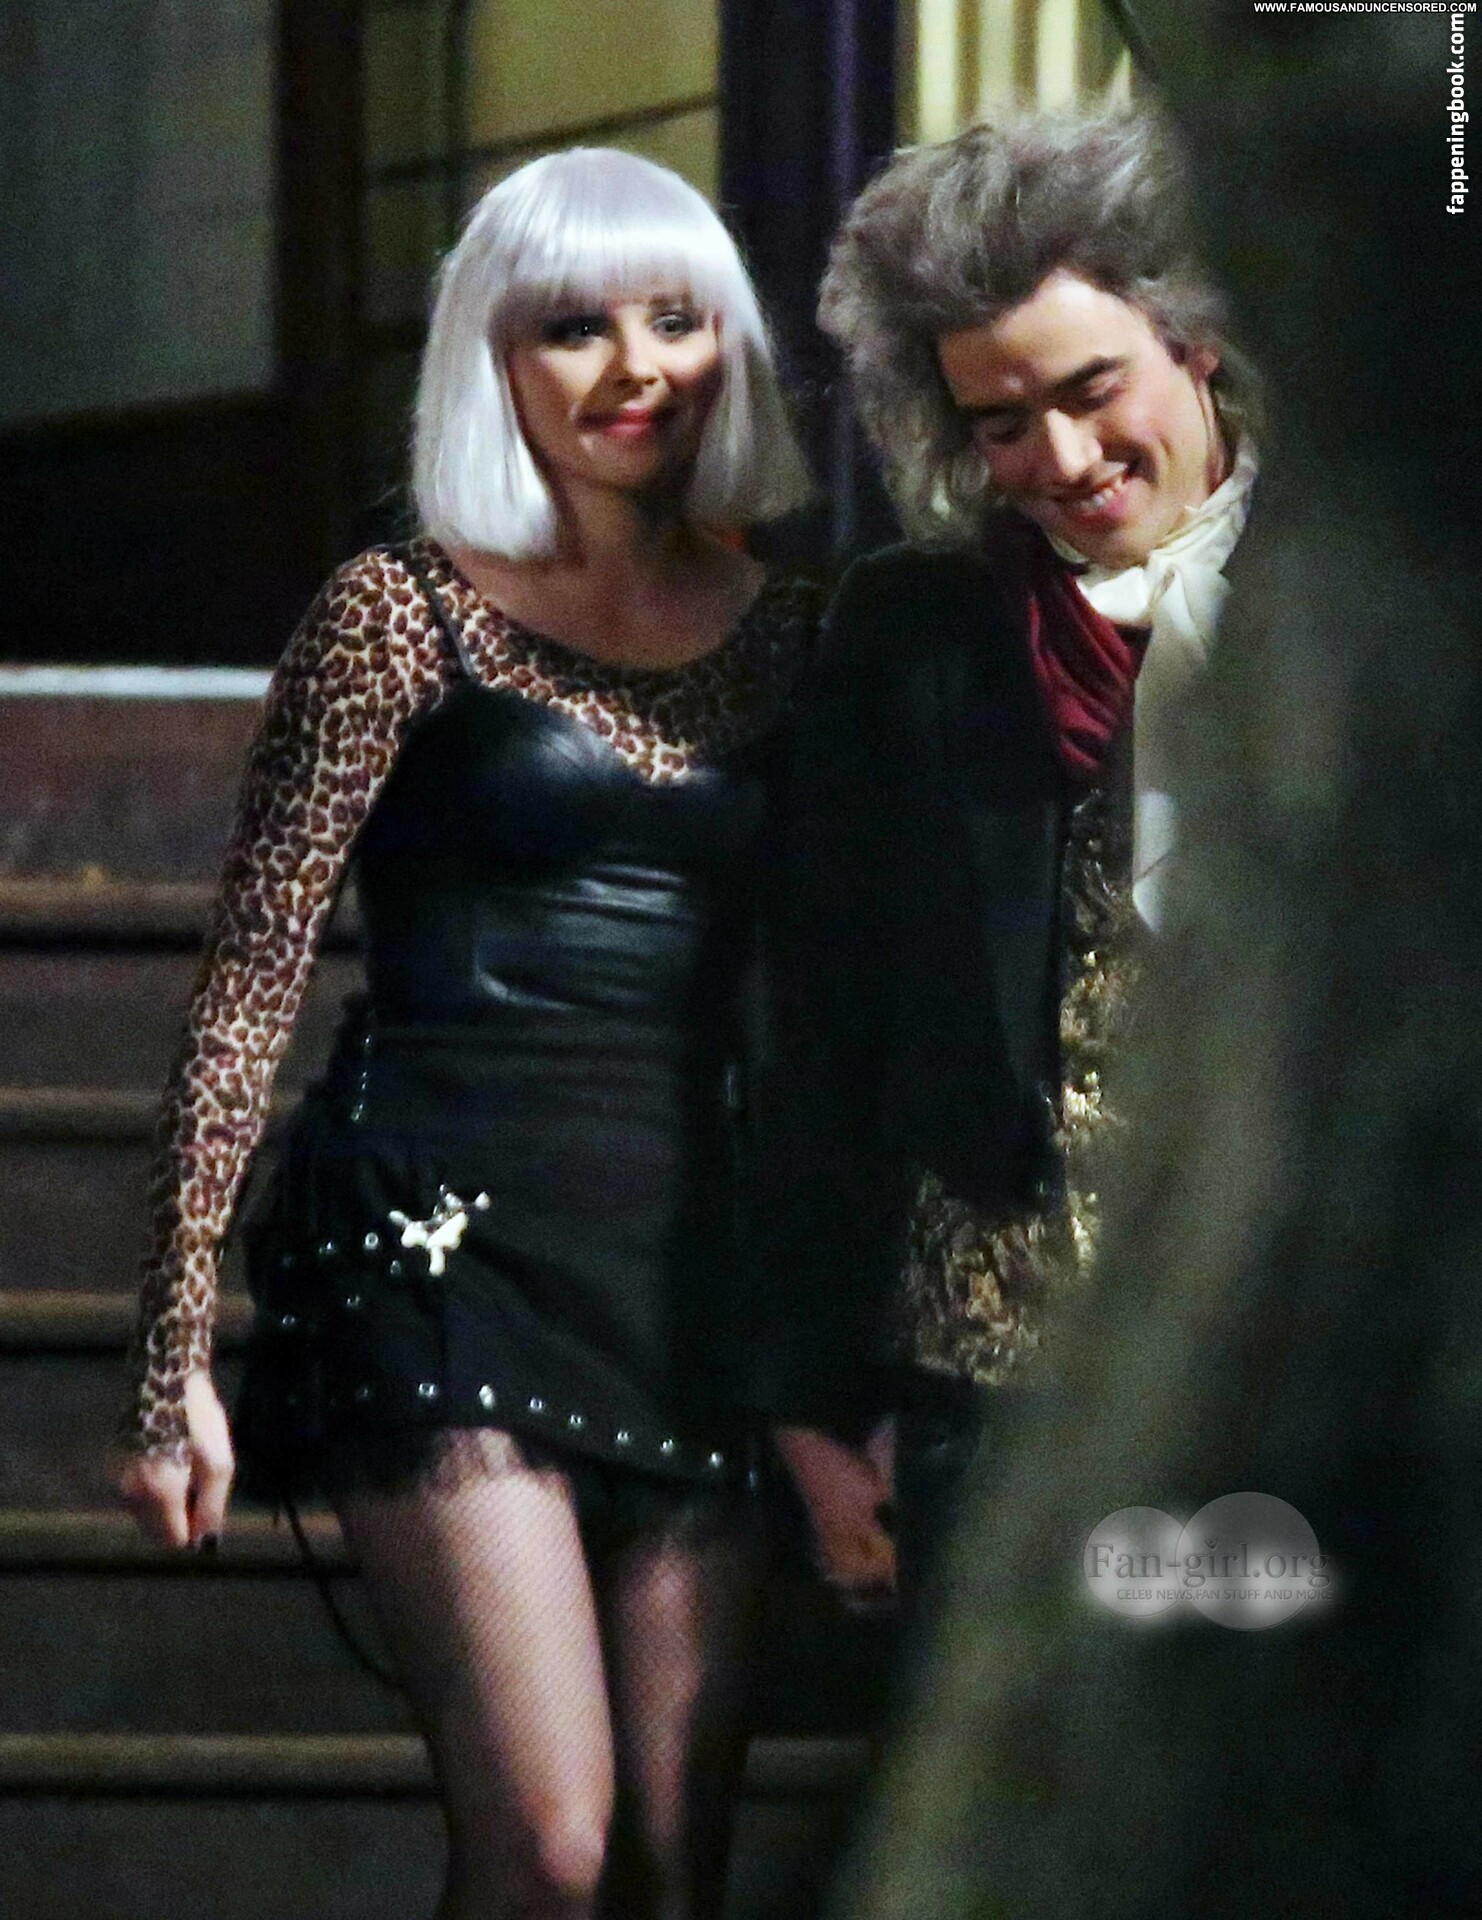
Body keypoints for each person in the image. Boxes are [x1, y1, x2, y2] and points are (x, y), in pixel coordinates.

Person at [111, 146, 815, 1920]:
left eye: (676, 320)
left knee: (668, 1872)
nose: (636, 367)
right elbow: (249, 983)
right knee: (552, 1850)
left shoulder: (797, 633)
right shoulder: (395, 610)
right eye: (573, 328)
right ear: (492, 359)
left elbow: (835, 998)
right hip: (438, 1242)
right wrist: (171, 1354)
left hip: (693, 1256)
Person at [759, 108, 1260, 1605]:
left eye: (1093, 390)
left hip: (1315, 1378)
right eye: (999, 422)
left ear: (1195, 345)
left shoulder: (1359, 599)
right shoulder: (915, 633)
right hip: (998, 1397)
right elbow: (822, 1033)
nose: (1061, 458)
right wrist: (809, 1401)